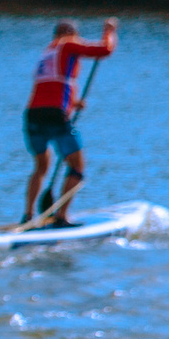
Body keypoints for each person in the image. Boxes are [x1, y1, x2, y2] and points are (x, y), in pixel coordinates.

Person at [22, 17, 117, 227]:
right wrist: (109, 31)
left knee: (40, 167)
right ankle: (61, 217)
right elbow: (105, 50)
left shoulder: (47, 52)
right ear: (72, 34)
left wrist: (73, 103)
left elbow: (51, 87)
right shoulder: (68, 44)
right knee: (77, 167)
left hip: (32, 115)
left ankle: (28, 214)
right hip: (55, 115)